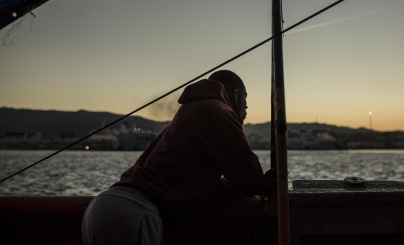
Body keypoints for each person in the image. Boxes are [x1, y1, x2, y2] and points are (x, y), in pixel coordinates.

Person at [82, 70, 266, 245]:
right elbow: (251, 179)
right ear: (235, 95)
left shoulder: (190, 111)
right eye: (245, 97)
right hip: (134, 214)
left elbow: (198, 182)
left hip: (102, 207)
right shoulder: (219, 112)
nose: (247, 105)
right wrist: (265, 182)